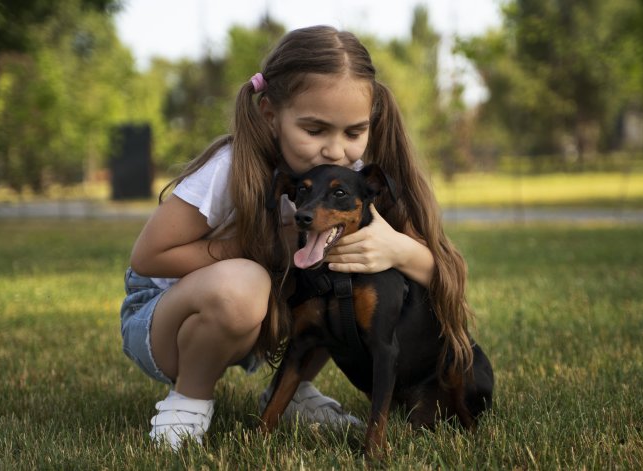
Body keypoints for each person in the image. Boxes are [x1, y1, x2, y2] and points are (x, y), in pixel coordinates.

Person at [120, 25, 476, 450]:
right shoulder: (230, 167)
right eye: (315, 130)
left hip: (255, 324)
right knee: (245, 282)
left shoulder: (353, 183)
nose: (335, 151)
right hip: (167, 325)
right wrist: (263, 246)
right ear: (271, 114)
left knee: (346, 276)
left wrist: (397, 249)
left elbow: (440, 270)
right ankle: (189, 400)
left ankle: (289, 393)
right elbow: (149, 256)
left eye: (352, 132)